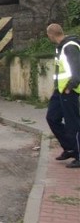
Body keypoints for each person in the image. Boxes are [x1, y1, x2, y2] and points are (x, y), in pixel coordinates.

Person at [45, 23, 80, 169]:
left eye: (48, 36)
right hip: (59, 90)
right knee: (52, 118)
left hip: (69, 91)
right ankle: (69, 148)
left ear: (51, 35)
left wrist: (69, 87)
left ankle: (78, 154)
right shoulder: (61, 47)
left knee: (74, 124)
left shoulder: (70, 47)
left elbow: (77, 70)